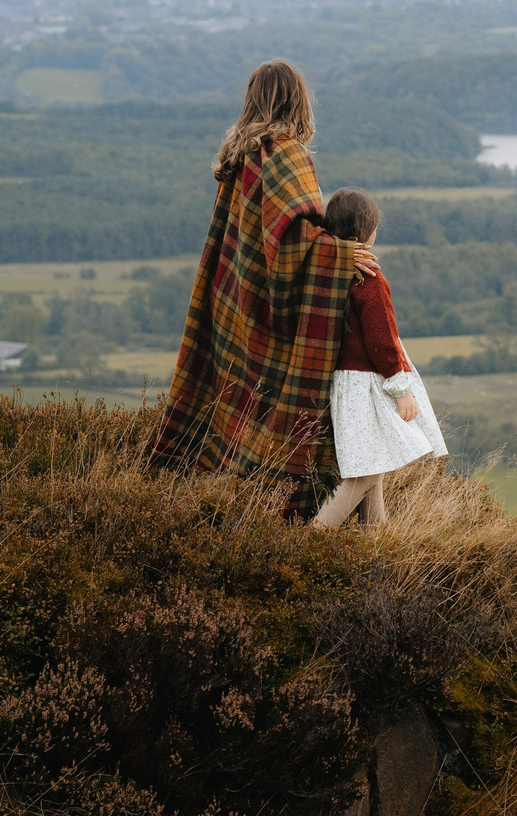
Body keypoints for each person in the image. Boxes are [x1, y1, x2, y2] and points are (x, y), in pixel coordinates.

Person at [147, 60, 379, 521]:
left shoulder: (242, 155)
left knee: (235, 402)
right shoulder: (285, 155)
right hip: (269, 311)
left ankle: (226, 501)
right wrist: (340, 255)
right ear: (299, 100)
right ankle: (295, 516)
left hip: (235, 302)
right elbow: (291, 240)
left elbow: (255, 240)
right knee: (296, 420)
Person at [312, 187, 447, 528]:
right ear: (365, 236)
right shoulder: (370, 282)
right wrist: (401, 391)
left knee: (375, 467)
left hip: (344, 384)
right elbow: (381, 342)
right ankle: (312, 537)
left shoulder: (329, 274)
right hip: (369, 387)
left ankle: (378, 539)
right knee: (363, 476)